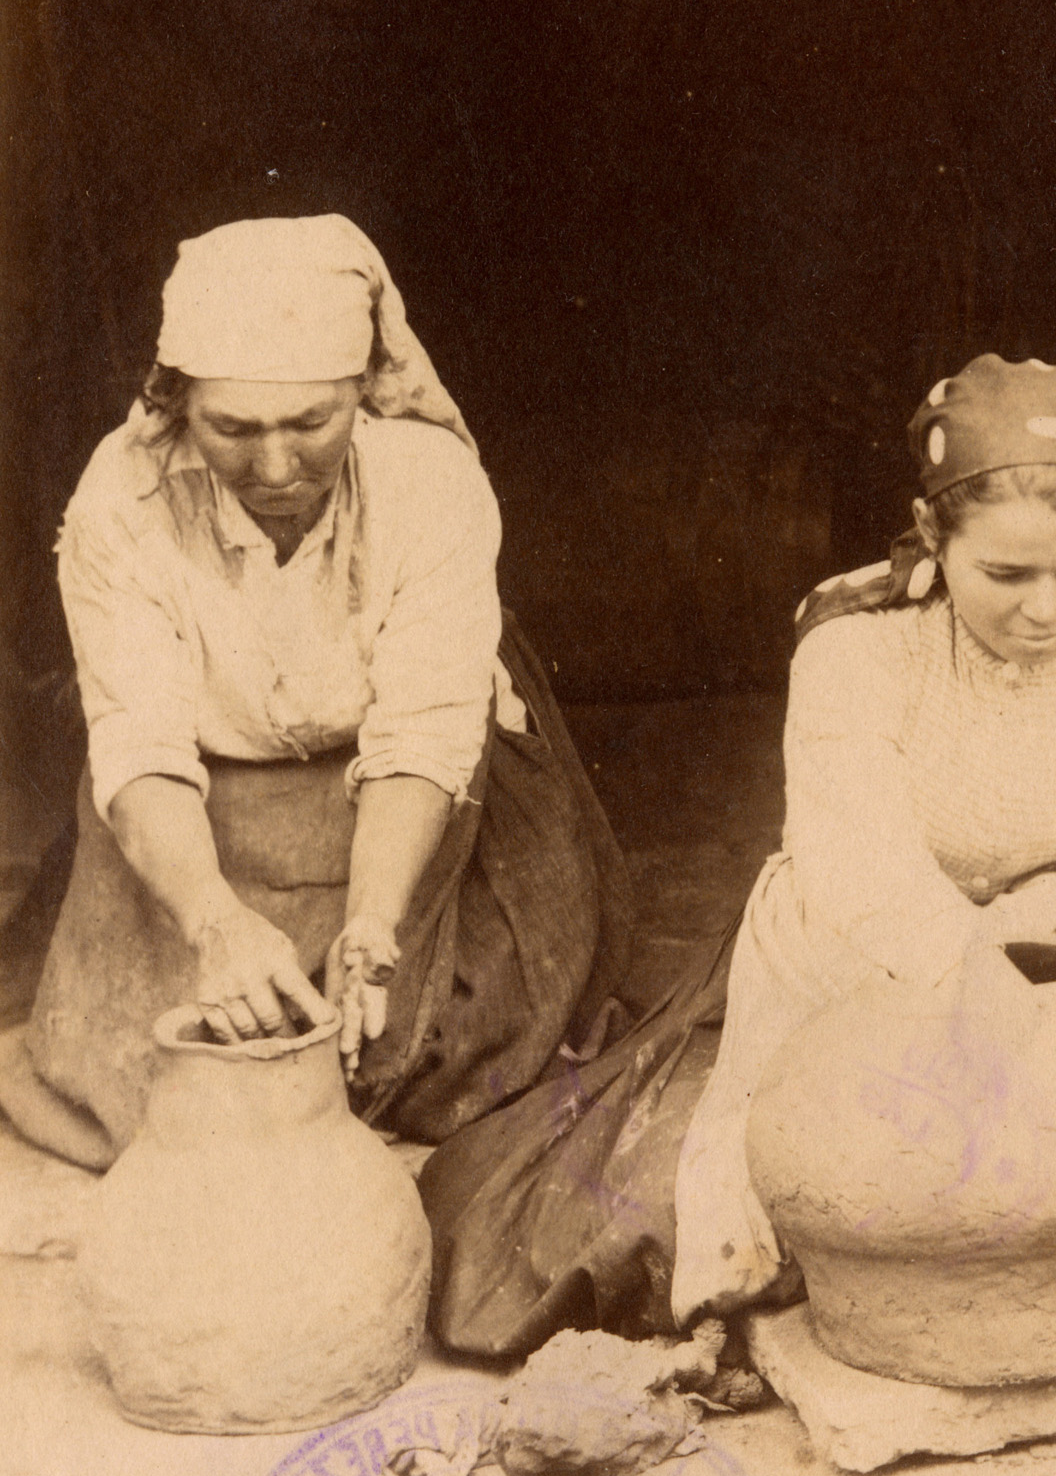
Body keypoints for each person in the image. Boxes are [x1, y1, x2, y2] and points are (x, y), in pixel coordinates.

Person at [417, 355, 1056, 1354]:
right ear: (933, 532)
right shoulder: (857, 653)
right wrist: (988, 984)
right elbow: (861, 870)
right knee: (863, 1169)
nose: (1046, 609)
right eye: (1006, 575)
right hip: (874, 935)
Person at [0, 216, 631, 1167]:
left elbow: (423, 733)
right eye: (233, 428)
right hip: (201, 815)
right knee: (148, 1090)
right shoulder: (118, 505)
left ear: (363, 394)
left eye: (311, 423)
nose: (277, 468)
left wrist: (375, 923)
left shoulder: (431, 486)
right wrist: (213, 924)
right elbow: (139, 747)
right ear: (178, 405)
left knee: (451, 1053)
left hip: (401, 804)